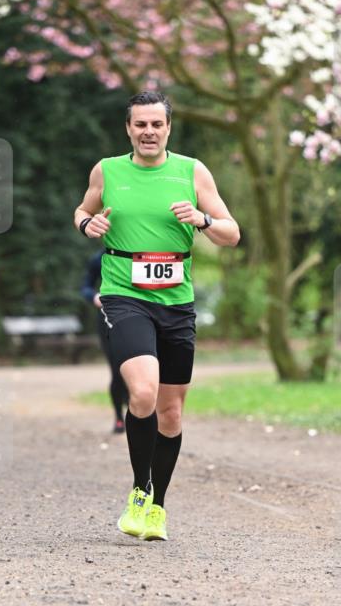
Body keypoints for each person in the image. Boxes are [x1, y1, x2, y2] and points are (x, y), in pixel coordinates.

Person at [73, 90, 240, 541]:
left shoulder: (192, 171)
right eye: (140, 124)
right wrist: (89, 224)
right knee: (143, 393)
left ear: (168, 128)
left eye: (156, 124)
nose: (149, 131)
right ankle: (139, 490)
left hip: (176, 303)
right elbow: (83, 210)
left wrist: (202, 220)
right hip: (124, 295)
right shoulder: (107, 170)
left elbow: (232, 232)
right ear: (128, 128)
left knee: (170, 412)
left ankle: (158, 507)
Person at [81, 249, 128, 433]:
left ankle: (137, 409)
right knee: (117, 369)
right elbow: (86, 286)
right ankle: (119, 418)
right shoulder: (99, 258)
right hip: (107, 318)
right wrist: (93, 297)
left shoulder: (142, 251)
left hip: (141, 317)